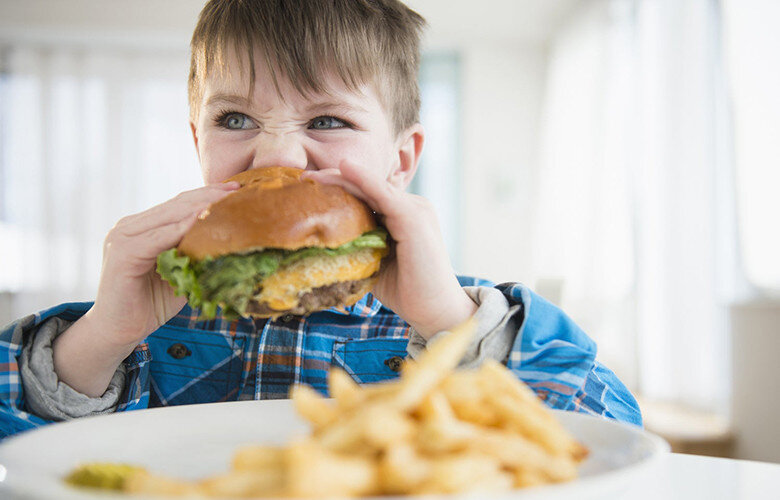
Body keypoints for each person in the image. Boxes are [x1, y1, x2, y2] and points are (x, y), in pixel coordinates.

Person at [0, 0, 641, 439]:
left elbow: (611, 435)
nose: (277, 155)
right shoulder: (139, 322)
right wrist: (100, 337)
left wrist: (452, 325)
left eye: (327, 121)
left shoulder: (453, 313)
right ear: (198, 142)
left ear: (400, 159)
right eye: (235, 119)